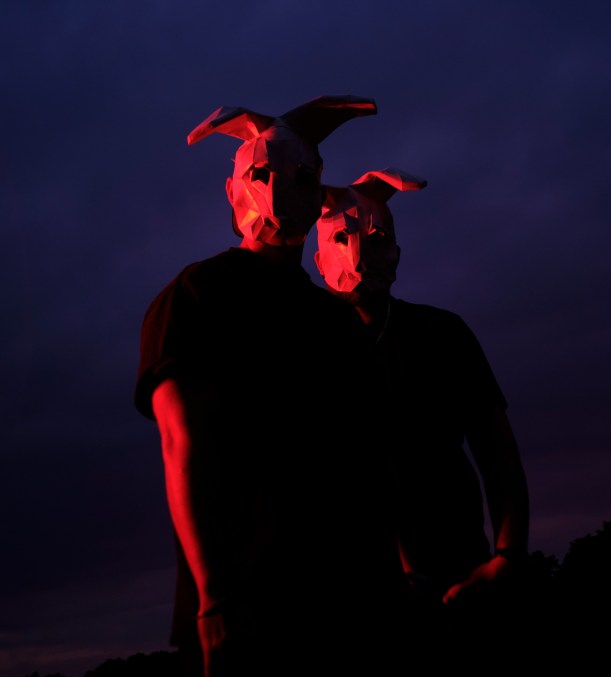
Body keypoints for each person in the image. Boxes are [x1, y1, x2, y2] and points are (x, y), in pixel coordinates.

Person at [134, 99, 417, 675]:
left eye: (301, 178)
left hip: (359, 604)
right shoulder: (197, 295)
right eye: (262, 174)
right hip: (252, 606)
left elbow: (373, 458)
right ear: (234, 188)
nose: (280, 190)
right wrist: (215, 597)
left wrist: (406, 573)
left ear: (320, 194)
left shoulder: (338, 322)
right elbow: (183, 444)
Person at [314, 167, 531, 663]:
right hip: (353, 605)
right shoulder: (309, 351)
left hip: (463, 582)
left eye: (374, 238)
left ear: (395, 250)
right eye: (341, 238)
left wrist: (508, 556)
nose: (357, 253)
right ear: (319, 256)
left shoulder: (442, 333)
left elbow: (498, 451)